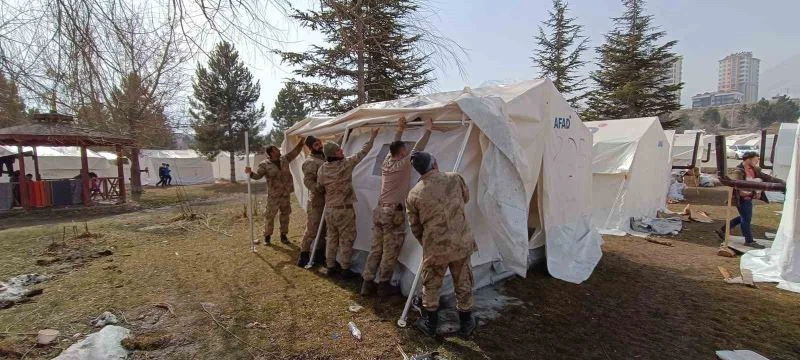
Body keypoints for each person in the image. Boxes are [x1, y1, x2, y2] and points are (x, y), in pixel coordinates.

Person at [406, 151, 477, 339]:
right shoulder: (454, 178)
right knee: (463, 282)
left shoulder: (414, 193)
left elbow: (415, 227)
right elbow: (466, 198)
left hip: (435, 248)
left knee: (431, 285)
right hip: (461, 243)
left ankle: (430, 324)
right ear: (435, 163)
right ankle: (466, 323)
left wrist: (428, 243)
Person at [361, 117, 432, 297]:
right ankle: (383, 284)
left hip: (379, 211)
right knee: (390, 250)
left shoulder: (387, 161)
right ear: (401, 154)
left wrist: (400, 128)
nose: (407, 152)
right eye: (405, 151)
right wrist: (428, 130)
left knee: (376, 248)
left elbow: (394, 144)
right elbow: (418, 149)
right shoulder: (403, 164)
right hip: (392, 213)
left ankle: (367, 282)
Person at [317, 129, 379, 278]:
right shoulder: (346, 164)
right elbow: (363, 153)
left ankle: (330, 266)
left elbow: (320, 186)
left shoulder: (322, 169)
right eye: (339, 150)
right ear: (333, 154)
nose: (341, 151)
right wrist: (372, 136)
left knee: (331, 238)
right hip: (344, 210)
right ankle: (345, 269)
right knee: (346, 239)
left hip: (330, 209)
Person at [716, 151, 785, 248]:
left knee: (744, 217)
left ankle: (722, 230)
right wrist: (754, 192)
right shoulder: (738, 171)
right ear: (748, 159)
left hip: (748, 198)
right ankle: (749, 241)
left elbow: (767, 177)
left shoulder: (755, 170)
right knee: (746, 219)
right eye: (755, 160)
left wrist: (783, 183)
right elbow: (739, 187)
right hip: (742, 199)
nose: (757, 162)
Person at [246, 140, 305, 245]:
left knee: (285, 215)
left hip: (285, 194)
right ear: (272, 153)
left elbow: (294, 152)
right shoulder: (264, 164)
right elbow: (258, 176)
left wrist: (301, 143)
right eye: (276, 149)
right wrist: (250, 173)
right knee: (270, 216)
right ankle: (267, 237)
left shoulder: (285, 159)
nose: (279, 150)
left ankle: (284, 236)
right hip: (274, 195)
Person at [297, 135, 326, 267]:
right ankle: (304, 255)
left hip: (327, 200)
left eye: (320, 143)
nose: (319, 146)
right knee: (312, 229)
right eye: (316, 145)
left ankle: (319, 256)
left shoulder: (324, 157)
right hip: (316, 201)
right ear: (310, 148)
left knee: (323, 229)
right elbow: (308, 181)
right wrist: (319, 188)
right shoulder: (310, 162)